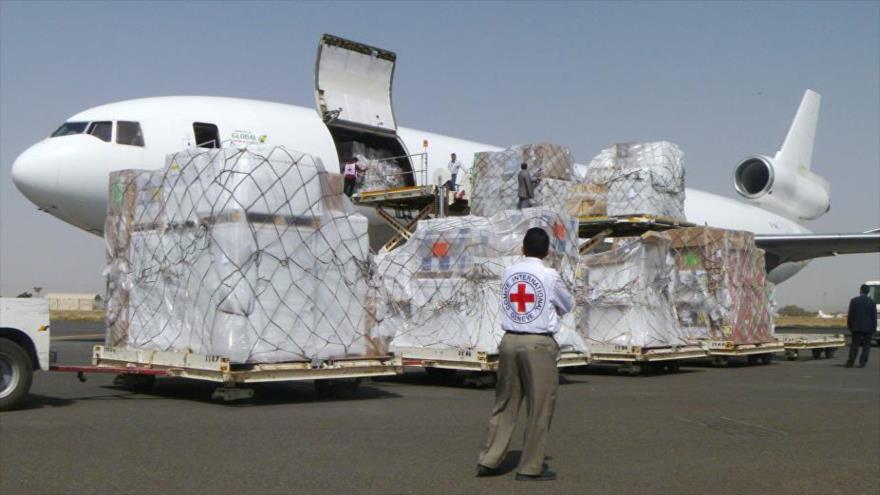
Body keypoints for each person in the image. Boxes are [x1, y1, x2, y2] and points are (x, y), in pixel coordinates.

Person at [476, 227, 573, 482]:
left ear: (522, 248)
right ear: (548, 251)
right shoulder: (549, 275)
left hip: (509, 342)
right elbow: (566, 304)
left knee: (505, 403)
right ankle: (530, 467)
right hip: (538, 344)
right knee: (538, 407)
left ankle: (489, 460)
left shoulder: (509, 272)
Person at [846, 284, 877, 368]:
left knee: (855, 345)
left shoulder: (854, 301)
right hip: (868, 327)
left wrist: (849, 325)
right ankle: (863, 362)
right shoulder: (872, 302)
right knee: (866, 346)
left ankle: (851, 361)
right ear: (868, 292)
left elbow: (851, 315)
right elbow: (874, 316)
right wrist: (874, 327)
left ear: (860, 290)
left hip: (856, 327)